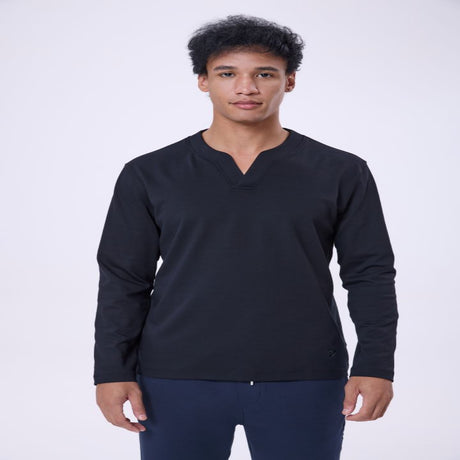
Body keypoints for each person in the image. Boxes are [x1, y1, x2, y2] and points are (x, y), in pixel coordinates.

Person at [93, 14, 399, 460]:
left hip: (305, 376)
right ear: (203, 81)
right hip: (176, 377)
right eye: (227, 74)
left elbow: (370, 273)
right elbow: (124, 279)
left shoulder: (340, 172)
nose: (246, 88)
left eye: (264, 74)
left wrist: (376, 365)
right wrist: (111, 370)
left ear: (289, 81)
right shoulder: (150, 173)